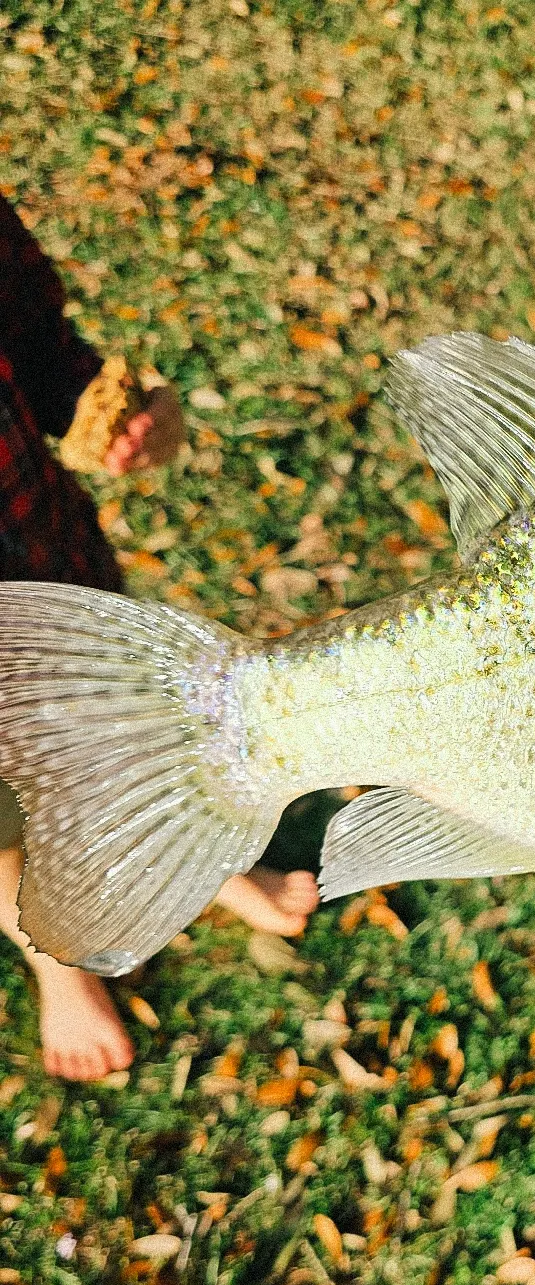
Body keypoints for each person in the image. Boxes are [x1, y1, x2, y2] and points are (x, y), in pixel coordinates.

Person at [0, 195, 319, 1081]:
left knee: (119, 727)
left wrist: (111, 412)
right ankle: (55, 959)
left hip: (44, 560)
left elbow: (37, 340)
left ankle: (203, 868)